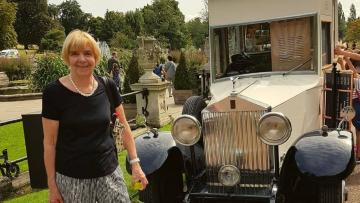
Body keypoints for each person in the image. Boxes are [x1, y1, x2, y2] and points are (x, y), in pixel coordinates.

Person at [42, 29, 148, 203]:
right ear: (67, 57)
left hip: (110, 174)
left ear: (96, 57)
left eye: (87, 53)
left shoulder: (107, 85)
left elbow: (124, 127)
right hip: (72, 181)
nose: (82, 59)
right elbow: (49, 143)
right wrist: (52, 186)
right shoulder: (54, 93)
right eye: (75, 54)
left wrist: (135, 164)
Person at [336, 46, 360, 161]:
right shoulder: (357, 78)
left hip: (356, 106)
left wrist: (343, 55)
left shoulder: (356, 79)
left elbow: (352, 73)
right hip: (356, 107)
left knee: (357, 131)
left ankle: (358, 154)